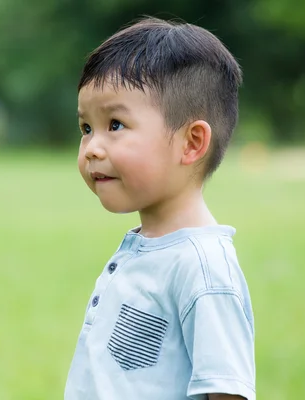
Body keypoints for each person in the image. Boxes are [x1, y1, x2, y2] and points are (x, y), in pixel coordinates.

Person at [65, 17, 256, 400]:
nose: (92, 148)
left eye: (115, 125)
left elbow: (227, 392)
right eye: (86, 128)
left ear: (191, 143)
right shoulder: (148, 249)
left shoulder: (203, 269)